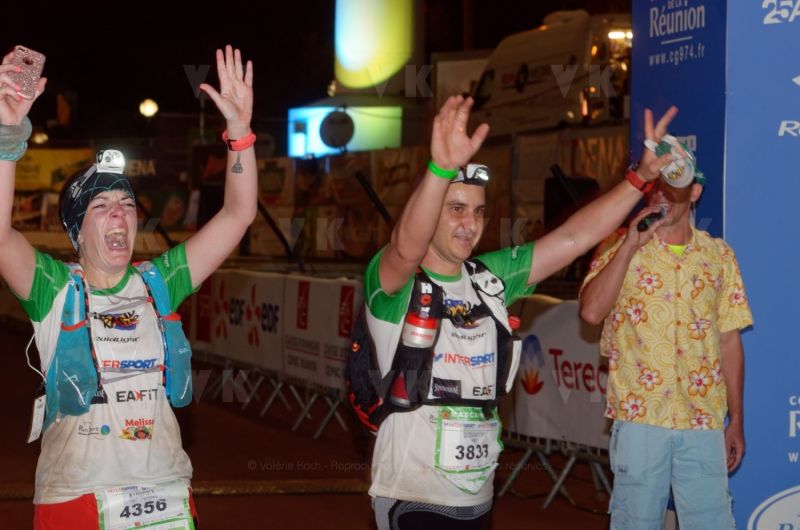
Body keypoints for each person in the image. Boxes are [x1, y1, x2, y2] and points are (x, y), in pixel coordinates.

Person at [363, 95, 678, 529]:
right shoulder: (394, 283)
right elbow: (405, 245)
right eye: (455, 209)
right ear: (430, 209)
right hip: (413, 496)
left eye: (477, 211)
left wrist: (640, 177)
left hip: (478, 498)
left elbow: (572, 237)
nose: (469, 224)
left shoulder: (490, 277)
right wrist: (438, 169)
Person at [0, 45, 257, 529]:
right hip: (76, 499)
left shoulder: (160, 281)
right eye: (101, 206)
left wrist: (239, 134)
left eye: (126, 203)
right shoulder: (54, 287)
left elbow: (238, 215)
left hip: (167, 496)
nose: (119, 212)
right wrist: (7, 135)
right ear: (76, 233)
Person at [579, 127, 752, 528]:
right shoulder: (618, 247)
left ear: (695, 193)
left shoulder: (719, 256)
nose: (662, 195)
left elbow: (729, 341)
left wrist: (736, 420)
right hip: (641, 416)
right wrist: (629, 248)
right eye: (655, 185)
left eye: (675, 186)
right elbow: (590, 313)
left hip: (703, 417)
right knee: (635, 522)